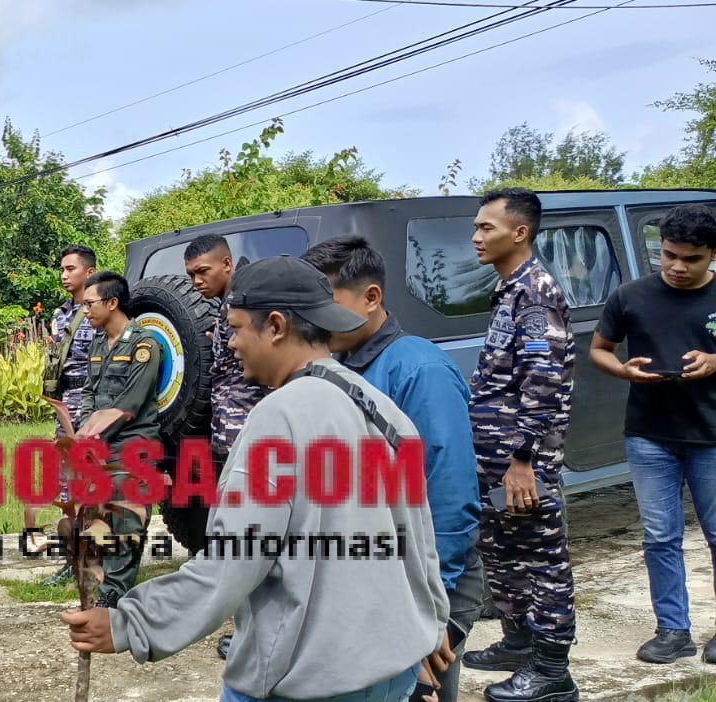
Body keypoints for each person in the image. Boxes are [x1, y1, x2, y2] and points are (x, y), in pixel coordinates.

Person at [62, 255, 449, 701]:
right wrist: (432, 618)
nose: (230, 344)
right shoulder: (382, 409)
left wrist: (130, 623)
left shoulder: (279, 418)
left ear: (277, 326)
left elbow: (232, 561)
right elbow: (419, 533)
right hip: (391, 669)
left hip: (307, 678)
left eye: (237, 328)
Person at [302, 236, 484, 702]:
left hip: (427, 582)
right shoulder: (337, 368)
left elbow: (449, 494)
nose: (313, 318)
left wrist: (430, 610)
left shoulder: (418, 369)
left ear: (371, 297)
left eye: (325, 302)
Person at [461, 188, 578, 702]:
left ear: (520, 232)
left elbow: (543, 379)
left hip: (522, 461)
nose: (476, 236)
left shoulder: (536, 293)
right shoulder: (510, 289)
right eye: (476, 226)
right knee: (503, 551)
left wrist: (523, 458)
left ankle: (552, 671)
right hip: (497, 458)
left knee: (541, 558)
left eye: (486, 227)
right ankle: (518, 643)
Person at [590, 203, 716, 664]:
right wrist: (623, 371)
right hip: (649, 436)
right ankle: (672, 630)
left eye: (691, 259)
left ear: (712, 255)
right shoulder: (630, 295)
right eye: (668, 255)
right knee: (660, 536)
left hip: (711, 436)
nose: (678, 266)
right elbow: (599, 349)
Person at [48, 271, 160, 607]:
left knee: (126, 519)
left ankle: (115, 592)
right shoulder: (98, 343)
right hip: (100, 444)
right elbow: (90, 393)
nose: (85, 311)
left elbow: (130, 404)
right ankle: (103, 583)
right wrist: (84, 427)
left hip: (133, 443)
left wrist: (91, 435)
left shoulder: (143, 344)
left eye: (90, 304)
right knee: (99, 517)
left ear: (112, 303)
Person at [186, 233, 267, 660]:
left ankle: (254, 631)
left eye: (203, 271)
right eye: (190, 275)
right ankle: (247, 625)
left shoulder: (248, 304)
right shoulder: (223, 309)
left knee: (251, 534)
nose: (197, 281)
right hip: (228, 436)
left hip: (249, 437)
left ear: (227, 264)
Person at [33, 245, 99, 586]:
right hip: (64, 405)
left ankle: (95, 560)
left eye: (70, 268)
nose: (63, 274)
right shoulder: (60, 314)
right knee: (66, 486)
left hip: (89, 402)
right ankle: (72, 560)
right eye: (61, 268)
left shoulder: (98, 309)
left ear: (89, 272)